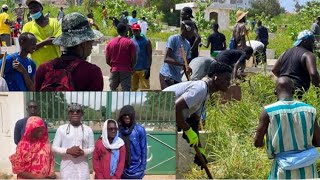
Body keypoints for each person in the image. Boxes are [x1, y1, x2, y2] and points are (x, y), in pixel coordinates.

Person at [163, 62, 232, 169]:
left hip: (168, 118)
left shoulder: (205, 94)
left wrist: (200, 150)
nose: (229, 83)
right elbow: (175, 107)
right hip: (157, 112)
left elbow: (194, 122)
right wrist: (188, 130)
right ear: (216, 77)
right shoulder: (200, 88)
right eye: (227, 79)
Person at [254, 76, 320, 179]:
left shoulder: (268, 111)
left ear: (275, 91)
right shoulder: (310, 110)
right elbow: (318, 141)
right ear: (293, 90)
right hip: (308, 169)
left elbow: (257, 142)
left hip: (282, 170)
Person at [35, 12, 104, 91]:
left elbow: (37, 100)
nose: (91, 47)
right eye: (91, 42)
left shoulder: (43, 68)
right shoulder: (92, 72)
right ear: (84, 43)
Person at [52, 103, 95, 179]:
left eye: (78, 111)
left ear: (82, 114)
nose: (75, 113)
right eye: (72, 111)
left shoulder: (88, 130)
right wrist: (68, 151)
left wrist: (83, 152)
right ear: (68, 114)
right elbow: (54, 147)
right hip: (66, 169)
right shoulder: (61, 129)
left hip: (83, 169)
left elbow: (92, 148)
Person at [272, 30, 320, 97]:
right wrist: (317, 90)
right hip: (297, 91)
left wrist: (283, 80)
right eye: (312, 42)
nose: (313, 44)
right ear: (305, 42)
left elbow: (274, 70)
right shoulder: (308, 55)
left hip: (281, 90)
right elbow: (313, 73)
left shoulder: (285, 52)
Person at [22, 0, 62, 67]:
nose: (32, 10)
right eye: (30, 8)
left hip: (54, 65)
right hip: (36, 66)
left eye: (35, 7)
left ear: (41, 8)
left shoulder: (54, 23)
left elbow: (59, 40)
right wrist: (45, 42)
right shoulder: (27, 26)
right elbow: (27, 47)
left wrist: (35, 45)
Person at [159, 20, 194, 90]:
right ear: (186, 29)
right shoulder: (173, 39)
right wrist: (182, 64)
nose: (193, 33)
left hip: (177, 78)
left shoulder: (187, 44)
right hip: (167, 76)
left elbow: (185, 65)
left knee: (175, 100)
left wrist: (189, 80)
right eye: (192, 30)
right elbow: (166, 58)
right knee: (168, 99)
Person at [118, 105, 147, 179]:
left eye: (129, 114)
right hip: (122, 168)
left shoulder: (139, 130)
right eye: (125, 115)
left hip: (136, 169)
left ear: (132, 115)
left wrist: (142, 167)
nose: (127, 117)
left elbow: (144, 149)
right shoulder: (118, 131)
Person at [106, 23, 136, 91]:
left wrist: (114, 66)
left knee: (112, 91)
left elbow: (107, 60)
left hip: (114, 70)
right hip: (126, 70)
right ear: (126, 31)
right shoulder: (130, 43)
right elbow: (134, 58)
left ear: (117, 31)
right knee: (126, 93)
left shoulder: (110, 43)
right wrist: (131, 67)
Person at [131, 23, 152, 91]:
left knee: (145, 90)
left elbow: (149, 55)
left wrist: (148, 69)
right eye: (134, 30)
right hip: (133, 70)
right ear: (132, 31)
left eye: (137, 30)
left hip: (144, 69)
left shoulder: (146, 41)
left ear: (140, 30)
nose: (135, 32)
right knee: (133, 90)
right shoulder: (131, 42)